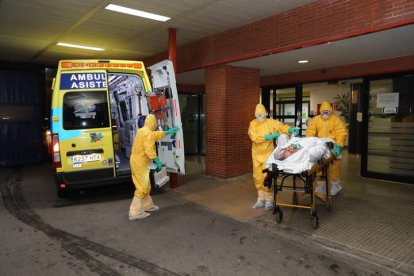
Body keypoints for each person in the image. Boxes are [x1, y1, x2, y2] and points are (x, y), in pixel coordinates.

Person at [248, 104, 299, 210]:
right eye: (258, 115)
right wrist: (269, 136)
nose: (260, 117)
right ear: (255, 115)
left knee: (267, 176)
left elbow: (281, 127)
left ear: (266, 113)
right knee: (257, 176)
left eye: (262, 115)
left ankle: (269, 200)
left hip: (267, 153)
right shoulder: (253, 124)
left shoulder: (271, 123)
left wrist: (290, 130)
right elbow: (254, 137)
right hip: (256, 153)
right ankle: (260, 199)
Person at [128, 114, 179, 220]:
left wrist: (167, 132)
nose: (156, 125)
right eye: (155, 123)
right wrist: (157, 160)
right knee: (142, 187)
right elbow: (149, 149)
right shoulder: (147, 133)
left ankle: (147, 206)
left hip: (139, 161)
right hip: (140, 162)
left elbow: (155, 134)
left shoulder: (143, 130)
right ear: (153, 123)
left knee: (146, 185)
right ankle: (135, 213)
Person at [306, 101, 347, 196]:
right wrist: (309, 143)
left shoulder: (335, 120)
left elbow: (341, 133)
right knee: (320, 165)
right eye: (323, 112)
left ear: (330, 111)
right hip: (321, 146)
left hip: (333, 146)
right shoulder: (316, 120)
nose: (325, 114)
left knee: (334, 167)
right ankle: (321, 186)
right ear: (320, 112)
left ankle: (336, 186)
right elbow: (310, 132)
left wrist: (339, 145)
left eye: (327, 112)